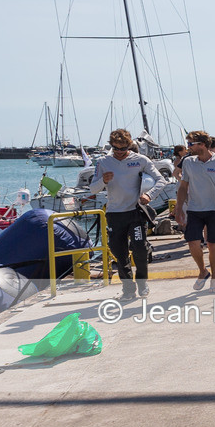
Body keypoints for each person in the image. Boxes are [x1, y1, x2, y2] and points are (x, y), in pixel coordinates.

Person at [88, 128, 162, 299]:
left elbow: (161, 180)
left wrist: (149, 195)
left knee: (140, 249)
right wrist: (103, 181)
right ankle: (128, 289)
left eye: (123, 149)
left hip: (135, 211)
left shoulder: (140, 160)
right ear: (111, 146)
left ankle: (142, 283)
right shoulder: (103, 162)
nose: (120, 153)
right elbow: (92, 188)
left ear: (129, 146)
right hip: (115, 213)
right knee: (119, 253)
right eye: (116, 148)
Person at [174, 130, 215, 288]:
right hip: (195, 209)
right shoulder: (188, 162)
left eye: (191, 144)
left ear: (201, 144)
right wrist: (179, 207)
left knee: (213, 245)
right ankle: (203, 271)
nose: (188, 148)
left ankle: (214, 279)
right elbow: (183, 186)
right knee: (192, 242)